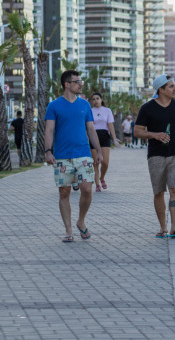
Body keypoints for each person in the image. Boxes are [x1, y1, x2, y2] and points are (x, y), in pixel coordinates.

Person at [133, 74, 175, 239]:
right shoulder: (147, 108)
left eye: (174, 85)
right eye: (171, 86)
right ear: (161, 89)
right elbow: (137, 131)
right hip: (156, 156)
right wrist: (155, 135)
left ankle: (174, 227)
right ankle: (163, 227)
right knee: (159, 192)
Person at [43, 70, 102, 243]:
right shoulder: (53, 106)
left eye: (80, 81)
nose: (81, 84)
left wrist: (98, 151)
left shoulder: (84, 105)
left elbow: (91, 129)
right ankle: (68, 230)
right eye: (77, 81)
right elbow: (49, 130)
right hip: (62, 156)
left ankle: (81, 220)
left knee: (87, 189)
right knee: (64, 192)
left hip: (83, 154)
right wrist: (48, 151)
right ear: (67, 84)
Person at [89, 92, 120, 192]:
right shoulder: (90, 111)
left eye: (97, 98)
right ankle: (97, 184)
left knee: (105, 162)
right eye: (93, 99)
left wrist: (114, 138)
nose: (96, 101)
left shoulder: (107, 111)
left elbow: (110, 125)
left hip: (104, 136)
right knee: (95, 163)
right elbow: (88, 126)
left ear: (101, 99)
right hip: (94, 136)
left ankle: (102, 177)